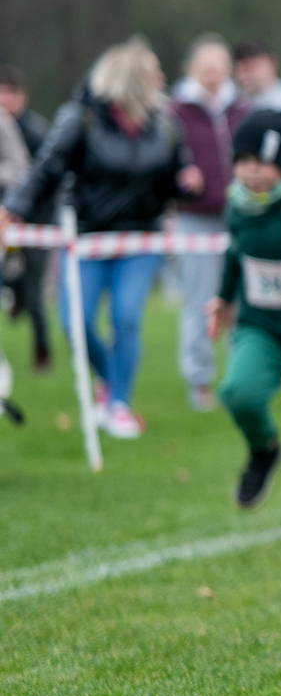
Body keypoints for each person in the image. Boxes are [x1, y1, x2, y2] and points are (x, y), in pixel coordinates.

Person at [0, 37, 197, 439]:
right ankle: (111, 379)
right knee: (75, 322)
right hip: (87, 236)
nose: (161, 78)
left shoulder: (163, 123)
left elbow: (177, 173)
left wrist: (187, 183)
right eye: (153, 72)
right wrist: (14, 209)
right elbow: (46, 168)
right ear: (131, 79)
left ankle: (118, 405)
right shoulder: (81, 117)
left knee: (126, 318)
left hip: (142, 238)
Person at [207, 110, 281, 509]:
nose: (252, 172)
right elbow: (235, 255)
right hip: (259, 324)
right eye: (243, 162)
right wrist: (224, 299)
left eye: (262, 164)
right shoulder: (237, 208)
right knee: (237, 392)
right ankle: (264, 448)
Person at [168, 34, 249, 412]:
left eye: (219, 64)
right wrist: (180, 177)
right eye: (206, 65)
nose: (213, 72)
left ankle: (241, 375)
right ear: (193, 69)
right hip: (195, 218)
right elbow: (164, 162)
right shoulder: (176, 111)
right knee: (200, 300)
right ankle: (199, 379)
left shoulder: (241, 107)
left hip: (239, 214)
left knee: (241, 299)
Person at [0, 66, 53, 371]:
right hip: (4, 221)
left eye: (11, 92)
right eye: (1, 91)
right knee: (9, 278)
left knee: (35, 293)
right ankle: (14, 288)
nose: (6, 99)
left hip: (35, 221)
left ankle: (42, 351)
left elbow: (46, 178)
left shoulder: (38, 132)